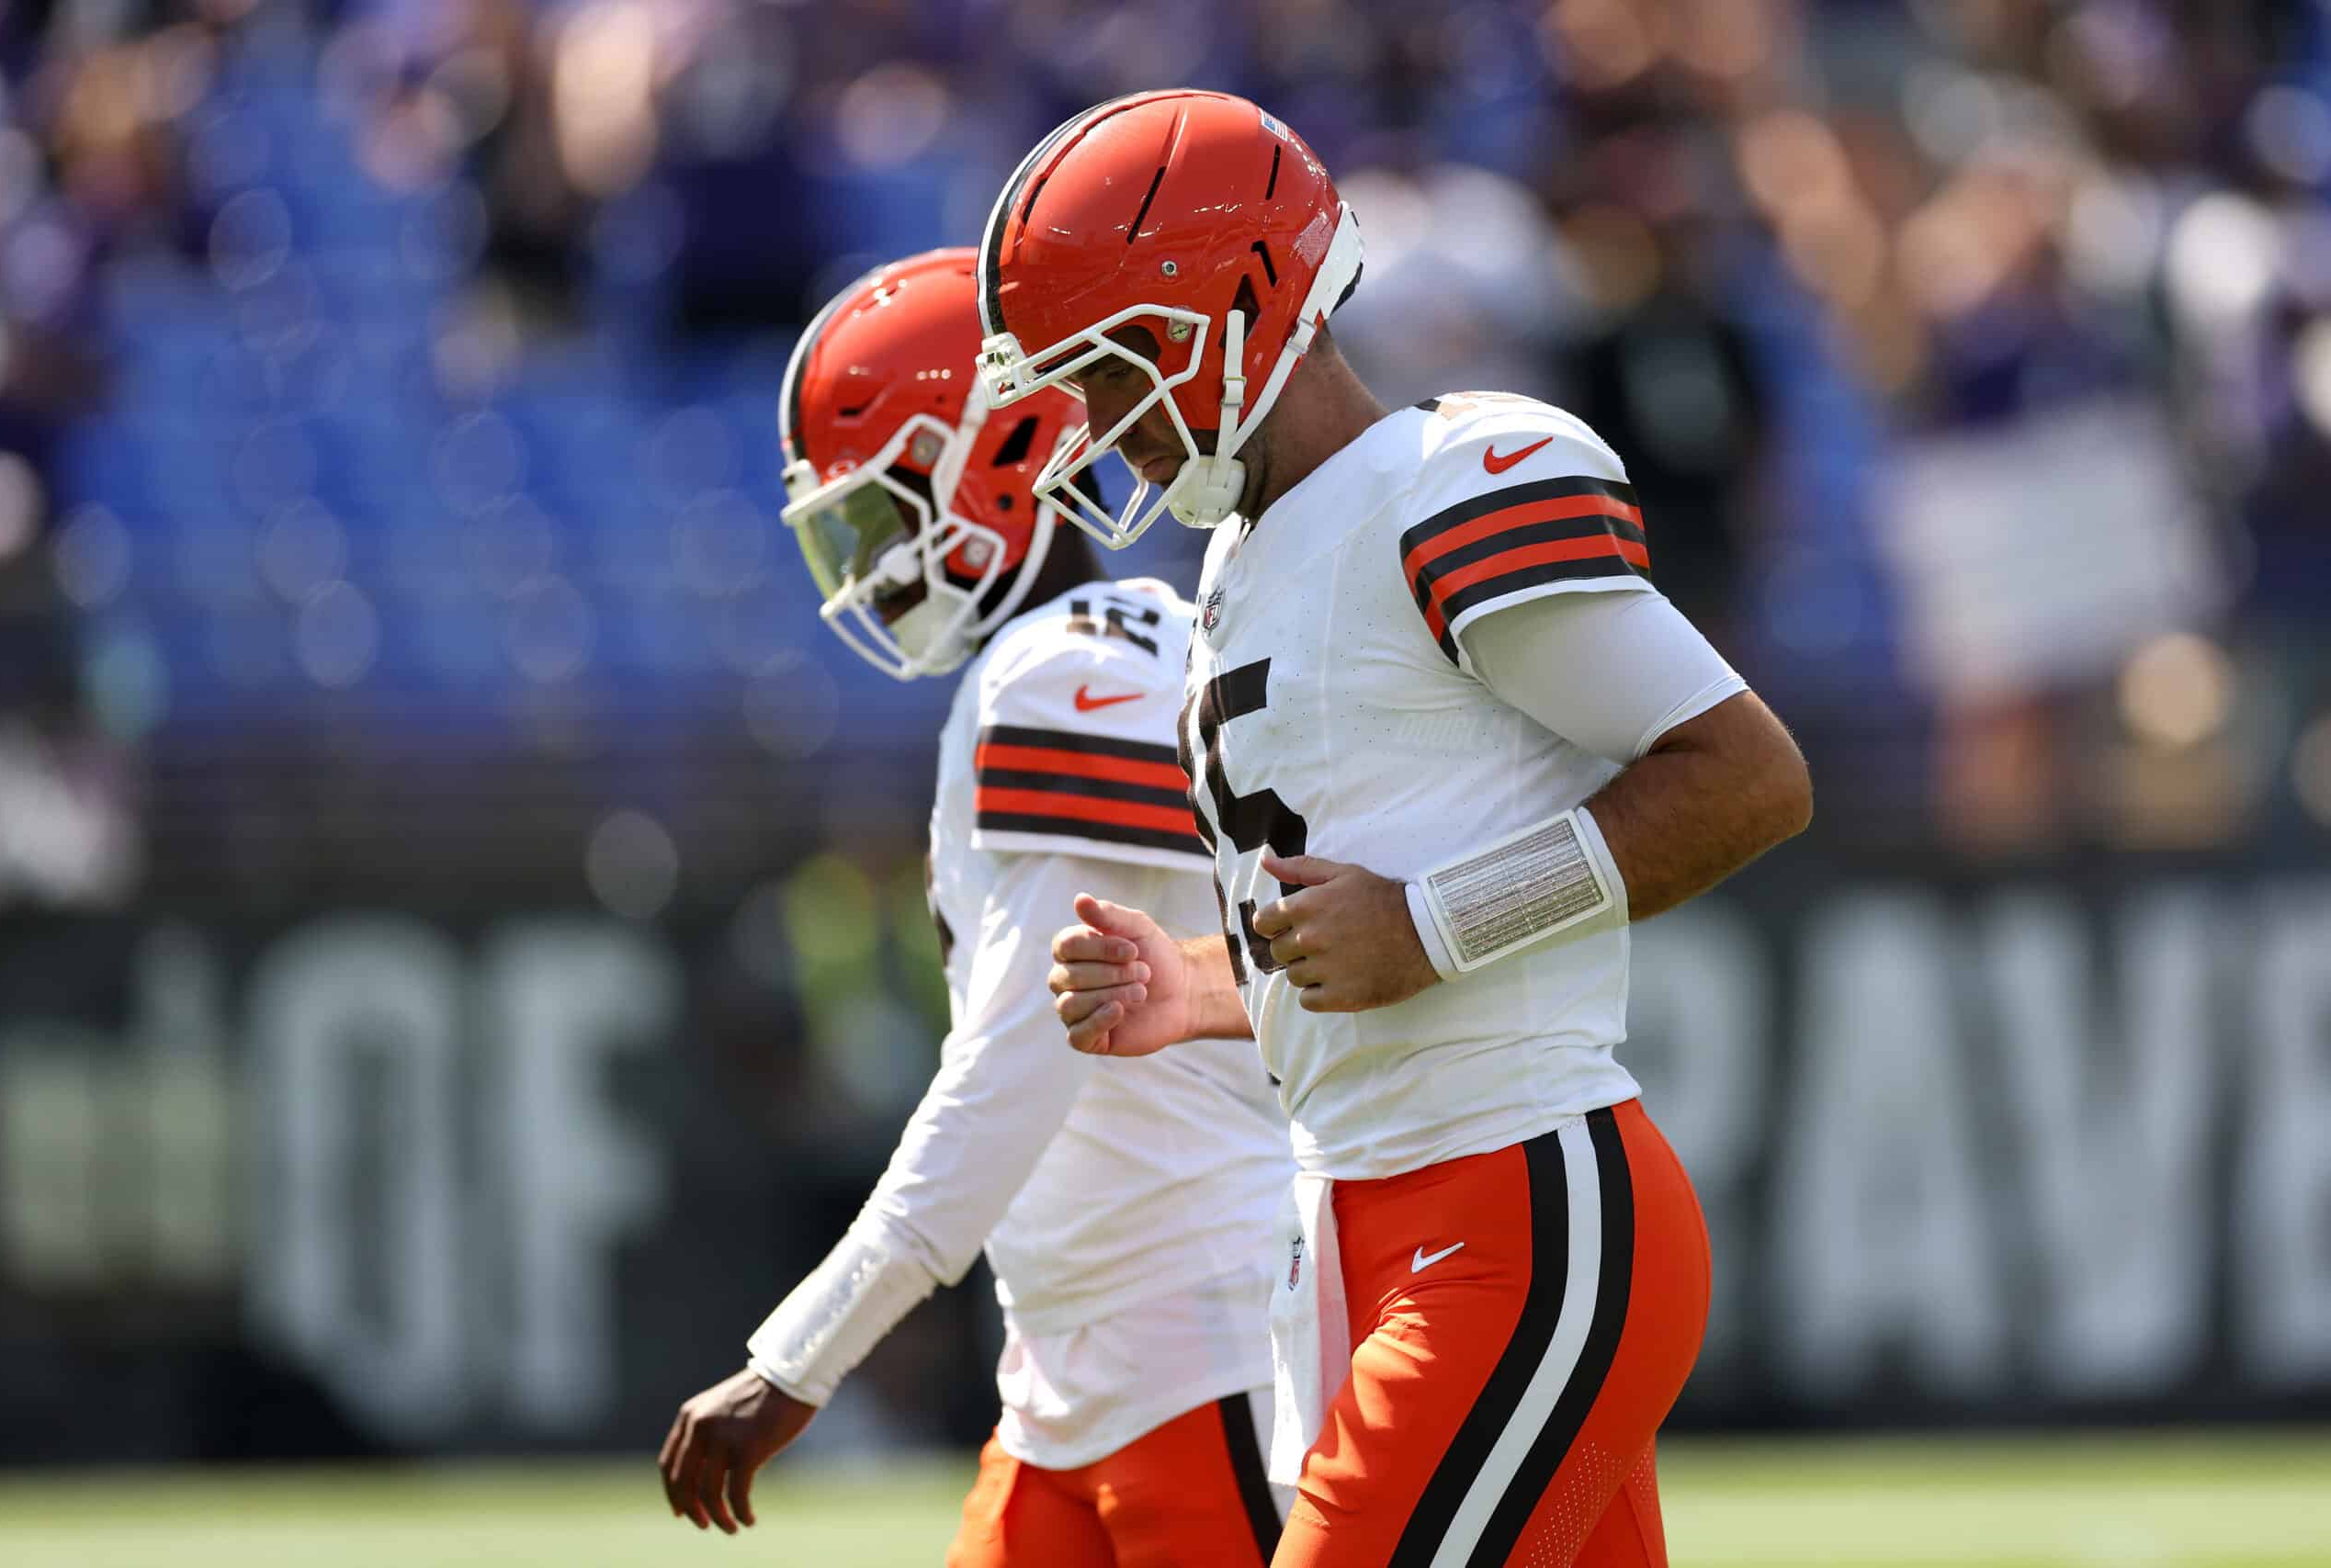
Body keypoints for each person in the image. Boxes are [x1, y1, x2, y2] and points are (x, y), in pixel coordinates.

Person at [989, 94, 1813, 1568]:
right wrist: (1211, 989)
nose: (1097, 420)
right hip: (1364, 1219)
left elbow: (1746, 775)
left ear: (1233, 315)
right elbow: (1364, 925)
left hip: (1516, 1206)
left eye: (1111, 367)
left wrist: (1431, 924)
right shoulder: (1245, 556)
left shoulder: (1440, 482)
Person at [657, 247, 1294, 1566]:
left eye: (881, 519)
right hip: (1077, 1361)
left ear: (998, 456)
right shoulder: (1106, 645)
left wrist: (802, 1354)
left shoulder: (1060, 668)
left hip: (1197, 1343)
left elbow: (1017, 1063)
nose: (870, 572)